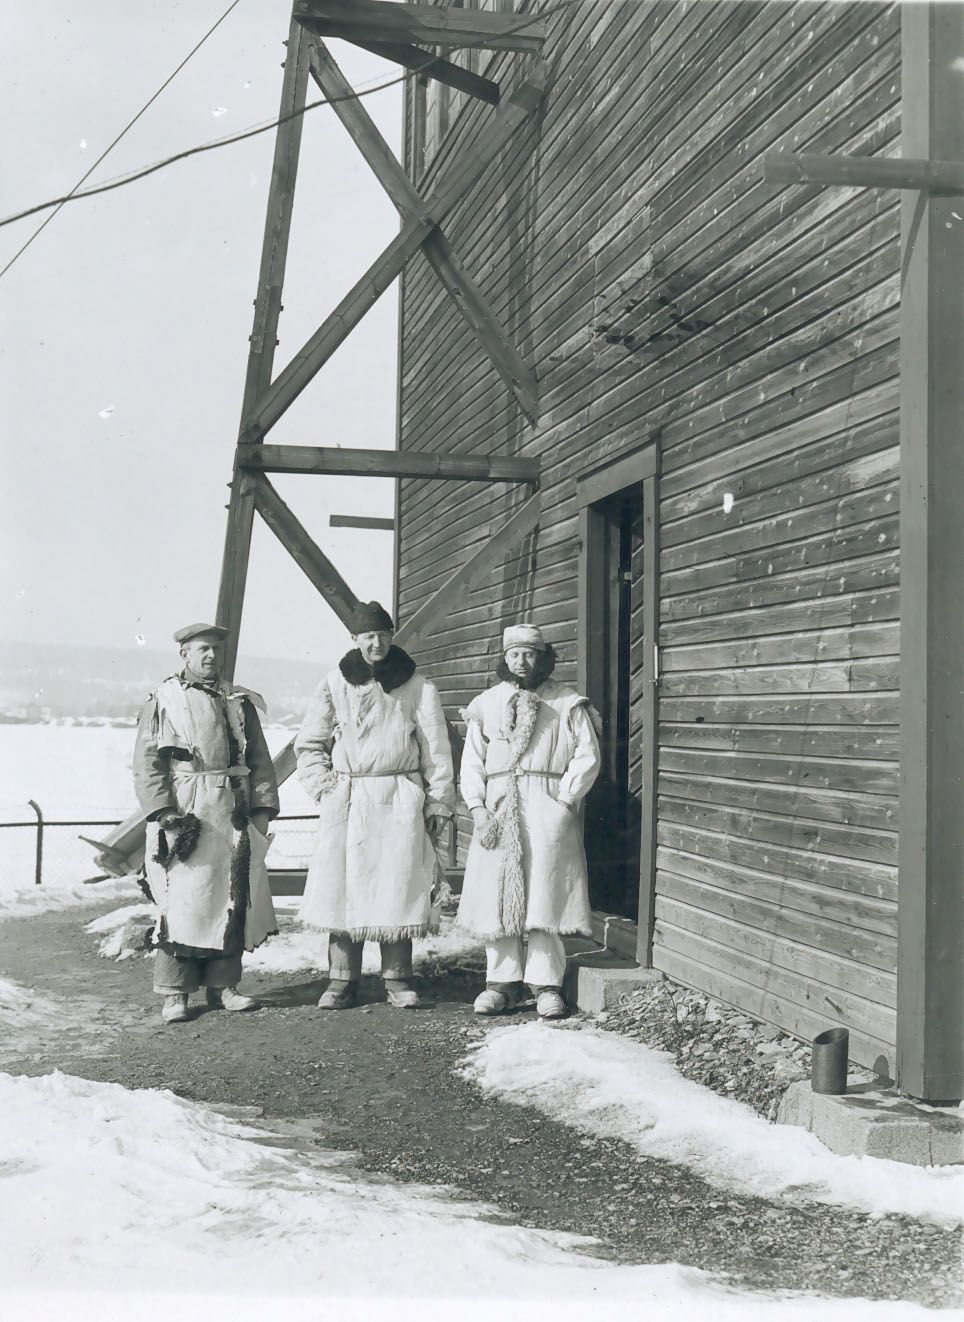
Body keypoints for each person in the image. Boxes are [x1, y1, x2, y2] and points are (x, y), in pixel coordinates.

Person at [295, 601, 455, 1009]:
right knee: (343, 888)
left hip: (399, 798)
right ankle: (340, 980)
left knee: (397, 886)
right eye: (368, 636)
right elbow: (310, 744)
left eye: (383, 634)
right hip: (348, 798)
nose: (376, 642)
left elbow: (436, 751)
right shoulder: (335, 684)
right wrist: (324, 787)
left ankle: (398, 979)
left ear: (391, 637)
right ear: (354, 640)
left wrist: (437, 803)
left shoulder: (417, 686)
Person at [132, 623, 280, 1024]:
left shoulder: (238, 701)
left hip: (232, 808)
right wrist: (165, 814)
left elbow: (261, 762)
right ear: (184, 655)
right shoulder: (165, 700)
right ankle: (175, 992)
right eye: (201, 649)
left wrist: (262, 812)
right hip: (187, 811)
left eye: (215, 649)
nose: (210, 656)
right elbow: (148, 765)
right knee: (183, 902)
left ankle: (224, 986)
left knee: (232, 898)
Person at [457, 624, 601, 1019]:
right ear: (504, 659)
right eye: (514, 654)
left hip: (546, 803)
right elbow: (471, 761)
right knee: (499, 894)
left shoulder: (567, 702)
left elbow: (587, 755)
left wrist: (566, 800)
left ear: (544, 656)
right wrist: (478, 808)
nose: (522, 662)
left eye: (530, 654)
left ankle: (545, 985)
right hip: (499, 804)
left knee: (545, 893)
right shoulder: (487, 703)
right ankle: (501, 983)